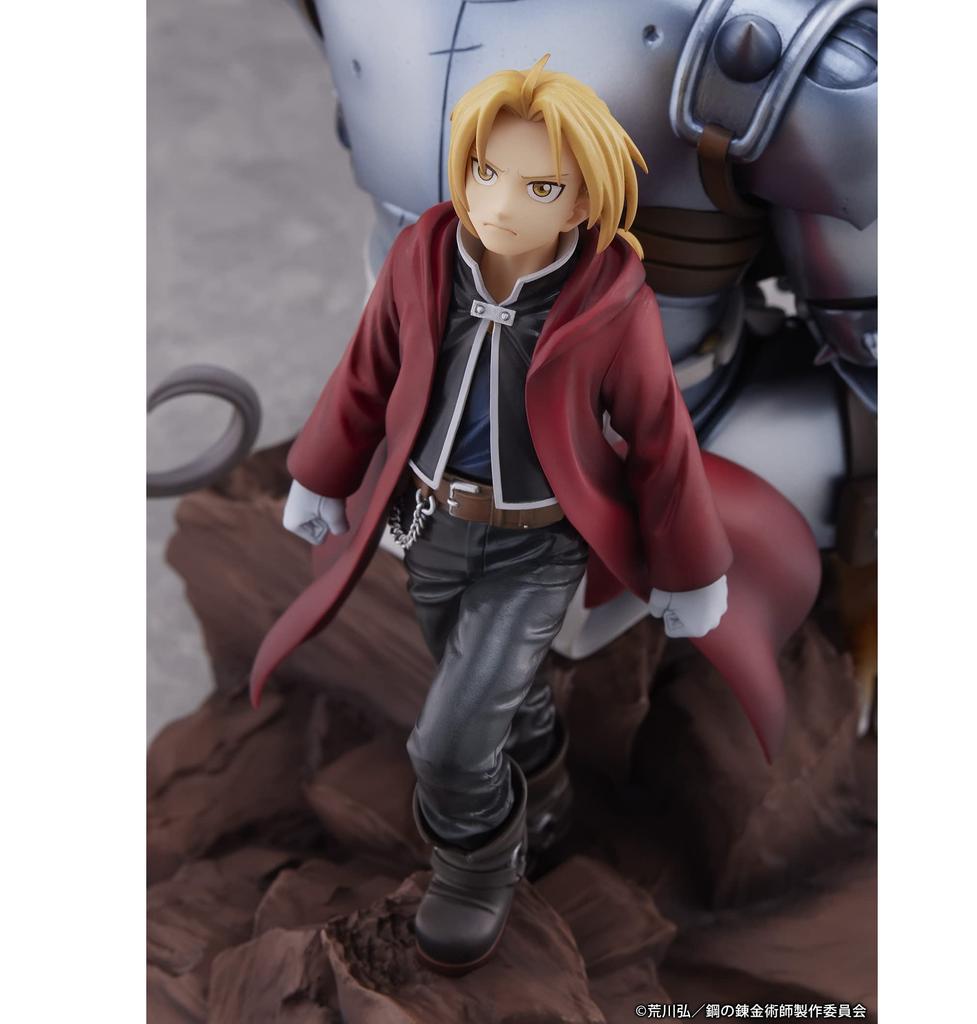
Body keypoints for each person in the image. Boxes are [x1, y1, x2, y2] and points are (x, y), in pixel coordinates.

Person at [251, 56, 808, 975]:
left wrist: (692, 569)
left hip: (534, 548)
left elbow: (659, 436)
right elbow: (367, 370)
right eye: (485, 172)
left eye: (540, 187)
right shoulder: (424, 255)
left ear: (583, 202)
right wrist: (320, 475)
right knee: (491, 695)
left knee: (448, 743)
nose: (501, 205)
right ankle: (543, 795)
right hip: (429, 526)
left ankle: (475, 867)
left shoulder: (608, 300)